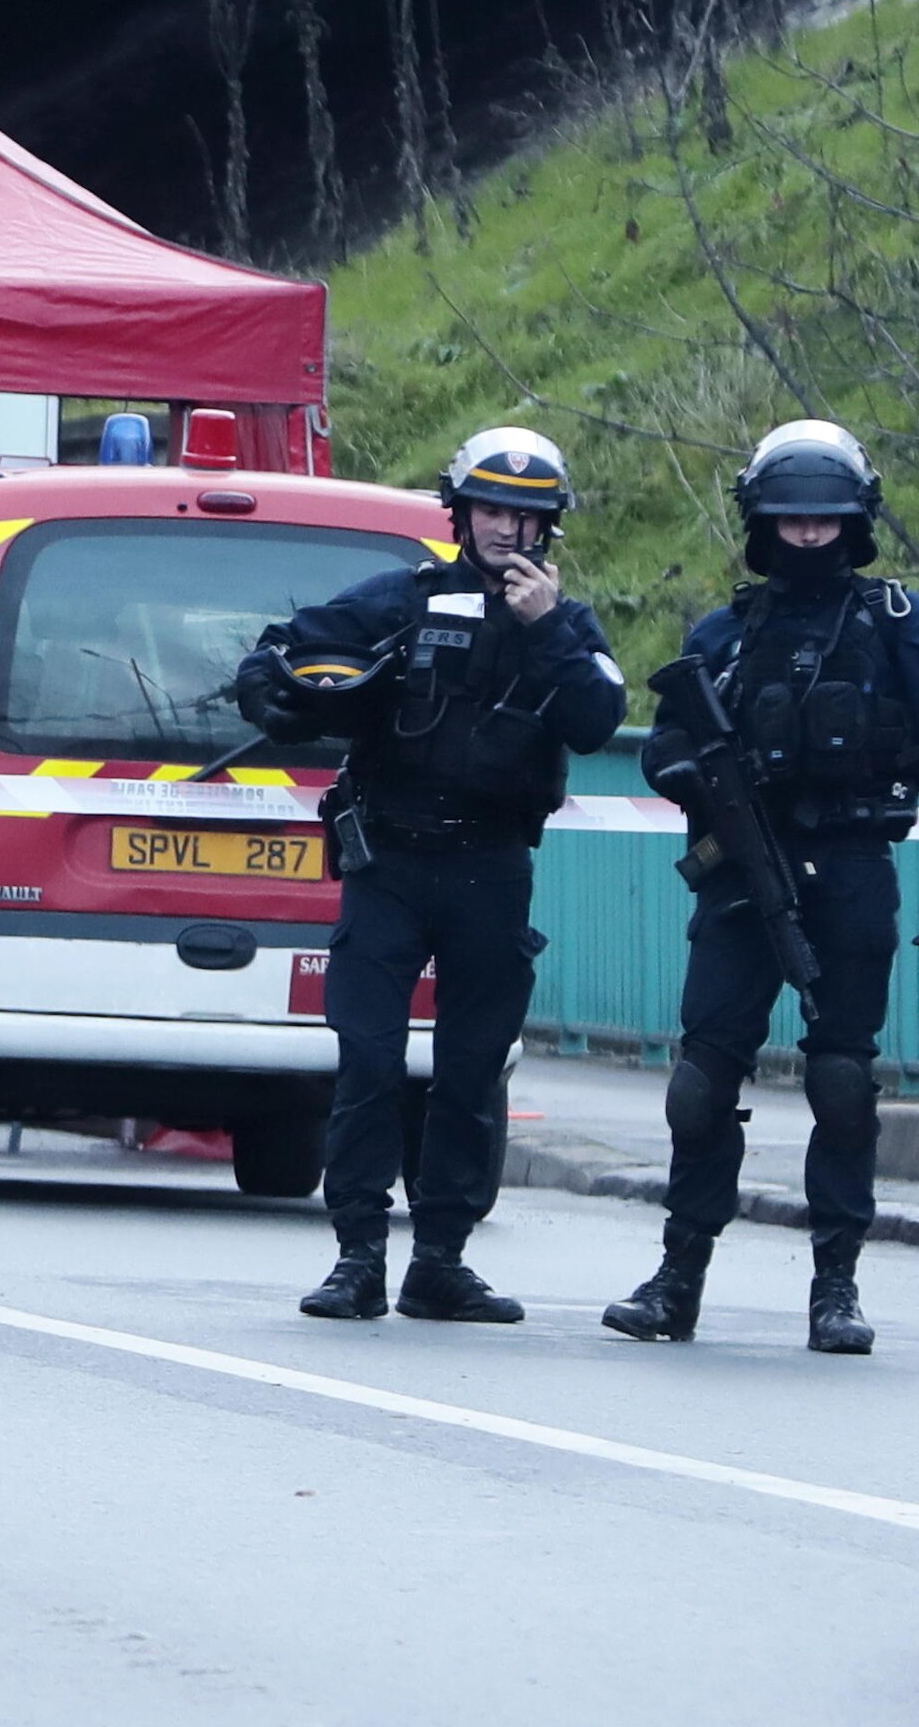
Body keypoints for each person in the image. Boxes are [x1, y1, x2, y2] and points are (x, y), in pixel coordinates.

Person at [603, 421, 919, 1359]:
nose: (808, 536)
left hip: (854, 866)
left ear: (854, 522)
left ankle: (835, 1286)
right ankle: (678, 1276)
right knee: (700, 1085)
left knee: (842, 1080)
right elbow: (661, 746)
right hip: (743, 871)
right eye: (790, 520)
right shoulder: (725, 633)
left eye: (824, 521)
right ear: (762, 523)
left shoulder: (902, 625)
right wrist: (699, 779)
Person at [229, 426, 626, 1326]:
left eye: (527, 517)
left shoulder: (566, 626)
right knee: (369, 1060)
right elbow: (276, 657)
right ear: (461, 513)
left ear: (548, 529)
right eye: (491, 509)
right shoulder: (402, 599)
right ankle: (358, 1256)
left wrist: (546, 627)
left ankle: (440, 1258)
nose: (507, 531)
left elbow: (599, 716)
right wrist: (286, 698)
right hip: (391, 863)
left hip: (492, 867)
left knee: (472, 1070)